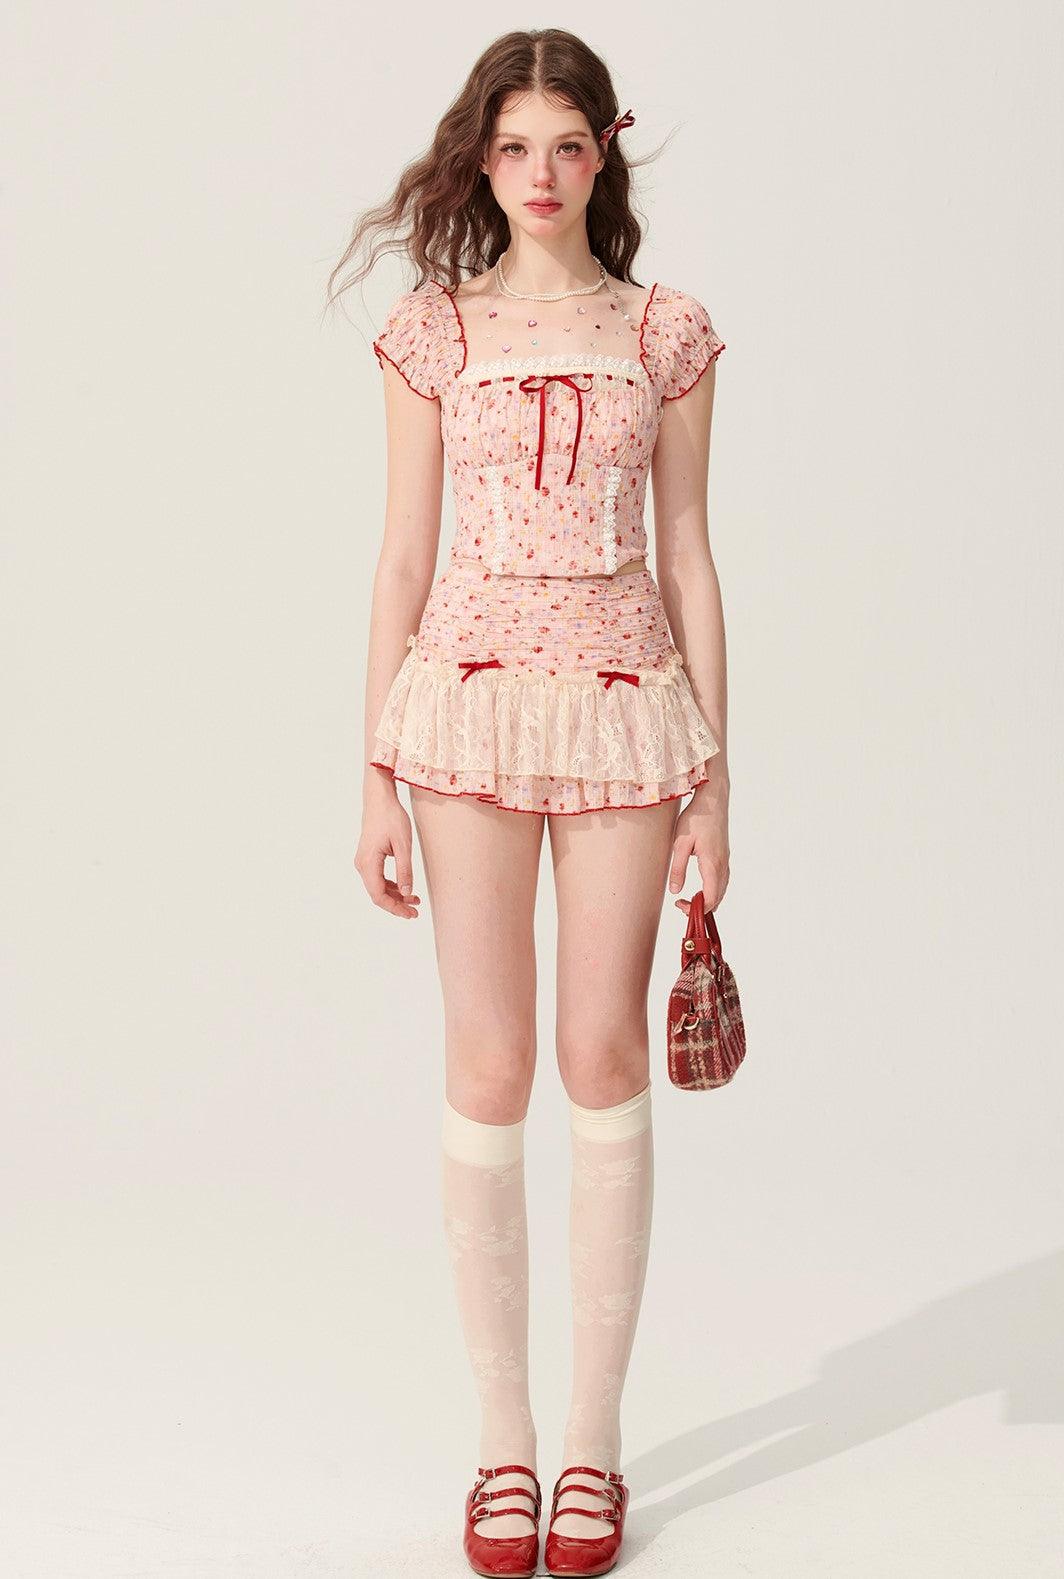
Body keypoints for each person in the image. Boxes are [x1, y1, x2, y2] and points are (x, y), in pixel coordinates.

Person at [330, 28, 731, 1578]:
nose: (543, 175)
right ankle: (504, 1444)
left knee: (603, 1052)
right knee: (490, 1061)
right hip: (465, 707)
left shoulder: (664, 331)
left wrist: (717, 784)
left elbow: (690, 555)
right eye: (516, 148)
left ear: (604, 150)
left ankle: (593, 1445)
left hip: (628, 707)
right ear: (481, 159)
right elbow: (399, 558)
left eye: (569, 145)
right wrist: (371, 768)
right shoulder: (433, 334)